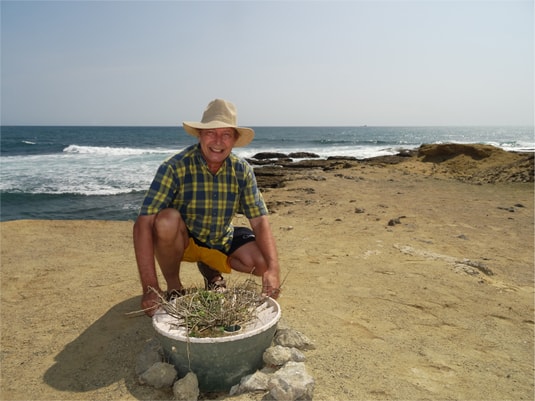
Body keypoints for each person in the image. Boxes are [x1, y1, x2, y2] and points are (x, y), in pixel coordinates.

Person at [133, 99, 281, 316]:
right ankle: (174, 285)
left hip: (220, 238)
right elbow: (143, 224)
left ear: (234, 140)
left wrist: (273, 270)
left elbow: (259, 220)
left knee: (261, 263)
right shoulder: (174, 167)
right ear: (199, 135)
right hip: (184, 240)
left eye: (226, 134)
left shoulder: (242, 171)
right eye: (211, 133)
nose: (218, 141)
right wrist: (149, 288)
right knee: (166, 220)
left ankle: (210, 271)